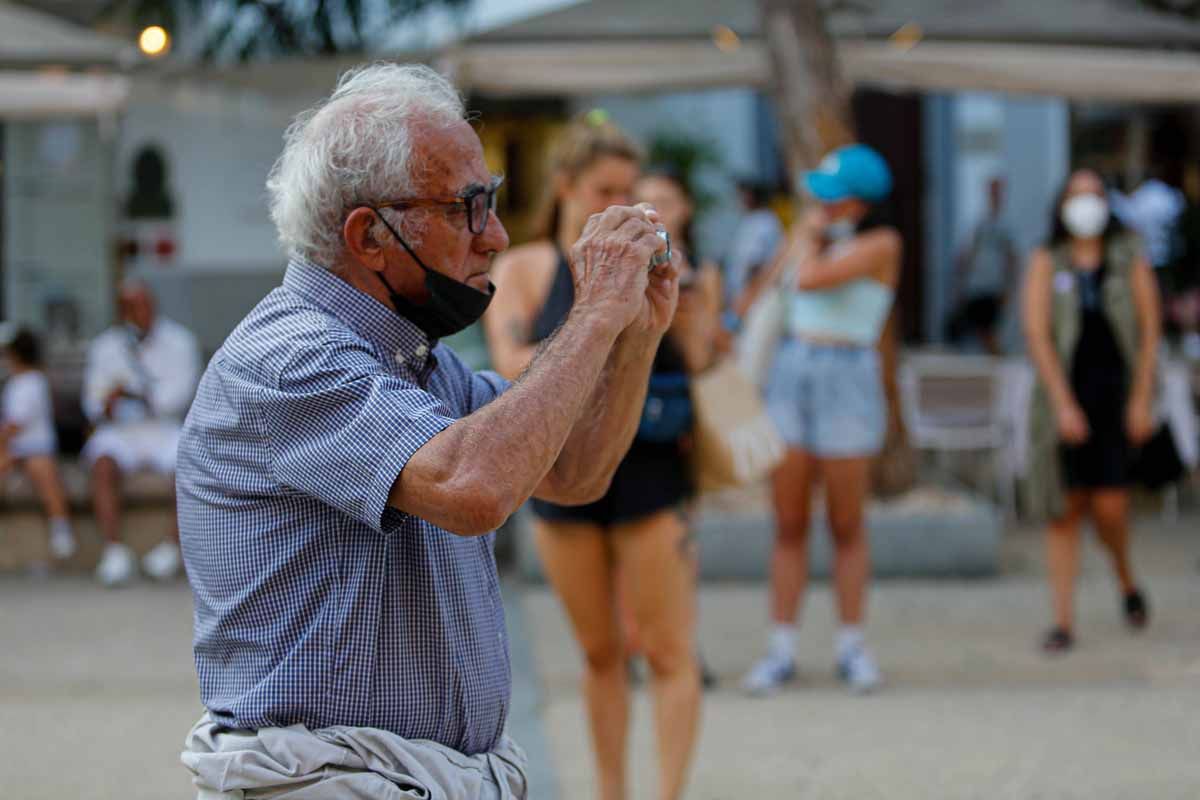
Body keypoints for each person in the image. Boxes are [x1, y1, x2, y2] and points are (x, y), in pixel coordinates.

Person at [176, 64, 677, 800]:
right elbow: (475, 488)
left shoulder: (415, 359)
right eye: (468, 208)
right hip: (328, 782)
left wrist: (635, 335)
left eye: (492, 203)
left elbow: (573, 473)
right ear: (369, 235)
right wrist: (595, 312)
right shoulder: (287, 358)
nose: (496, 237)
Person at [484, 124, 702, 800]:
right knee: (600, 653)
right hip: (560, 469)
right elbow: (510, 365)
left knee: (667, 650)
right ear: (566, 187)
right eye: (604, 189)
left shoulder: (660, 262)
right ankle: (611, 792)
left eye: (627, 191)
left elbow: (697, 357)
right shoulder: (524, 266)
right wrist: (599, 319)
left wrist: (689, 293)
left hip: (652, 466)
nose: (617, 201)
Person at [741, 144, 900, 695]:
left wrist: (803, 243)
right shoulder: (811, 238)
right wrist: (794, 245)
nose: (821, 205)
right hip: (793, 368)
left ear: (859, 203)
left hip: (847, 372)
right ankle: (781, 647)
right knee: (788, 523)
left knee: (846, 523)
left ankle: (851, 644)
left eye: (833, 197)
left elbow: (811, 279)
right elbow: (758, 294)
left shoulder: (881, 243)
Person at [1022, 168, 1158, 654]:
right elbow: (1037, 335)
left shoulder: (1128, 259)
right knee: (1064, 510)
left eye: (1094, 195)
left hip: (1114, 398)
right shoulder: (1047, 259)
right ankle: (1063, 621)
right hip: (1064, 399)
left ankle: (1125, 577)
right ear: (1061, 205)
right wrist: (1062, 404)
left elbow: (1149, 331)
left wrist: (1142, 397)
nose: (1086, 205)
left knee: (1110, 508)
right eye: (1077, 196)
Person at [83, 280, 200, 586]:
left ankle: (172, 549)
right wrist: (106, 404)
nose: (140, 312)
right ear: (121, 311)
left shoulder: (179, 341)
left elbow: (178, 395)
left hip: (162, 427)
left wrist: (132, 393)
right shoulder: (104, 346)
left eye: (144, 305)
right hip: (121, 429)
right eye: (131, 307)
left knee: (190, 462)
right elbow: (92, 400)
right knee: (101, 462)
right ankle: (113, 551)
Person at [0, 327, 76, 561]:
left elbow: (14, 425)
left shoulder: (32, 381)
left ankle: (61, 527)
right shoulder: (16, 382)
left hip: (36, 449)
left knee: (45, 476)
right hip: (16, 449)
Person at [947, 177, 1019, 354]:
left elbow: (1012, 258)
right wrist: (961, 282)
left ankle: (998, 358)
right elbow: (967, 254)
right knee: (977, 326)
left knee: (988, 327)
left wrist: (1009, 287)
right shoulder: (978, 221)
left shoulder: (1006, 224)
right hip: (975, 284)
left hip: (994, 285)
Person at [725, 178, 784, 315]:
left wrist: (746, 296)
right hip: (745, 296)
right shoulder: (751, 219)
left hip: (755, 297)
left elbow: (755, 263)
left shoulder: (764, 222)